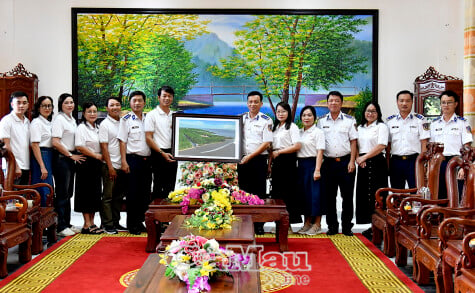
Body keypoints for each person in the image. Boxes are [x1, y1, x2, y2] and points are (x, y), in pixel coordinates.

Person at [317, 91, 358, 236]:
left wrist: (352, 161)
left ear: (341, 103)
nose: (333, 103)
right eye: (331, 101)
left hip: (346, 162)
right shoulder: (321, 121)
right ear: (327, 103)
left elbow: (353, 142)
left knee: (347, 196)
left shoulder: (349, 120)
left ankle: (347, 226)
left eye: (336, 101)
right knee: (329, 196)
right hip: (328, 163)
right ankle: (332, 226)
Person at [238, 91, 273, 235]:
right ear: (247, 103)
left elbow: (266, 143)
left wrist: (251, 156)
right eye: (250, 102)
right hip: (243, 160)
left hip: (258, 160)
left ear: (261, 104)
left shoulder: (266, 120)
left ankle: (259, 224)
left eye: (256, 102)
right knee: (243, 192)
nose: (253, 104)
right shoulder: (240, 119)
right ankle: (245, 223)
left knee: (259, 193)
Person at [117, 91, 152, 235]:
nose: (137, 103)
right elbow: (122, 141)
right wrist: (124, 162)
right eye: (134, 100)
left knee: (144, 194)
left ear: (144, 103)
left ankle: (139, 221)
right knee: (133, 194)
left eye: (139, 100)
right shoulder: (126, 119)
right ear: (130, 103)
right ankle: (132, 224)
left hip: (147, 161)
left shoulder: (149, 118)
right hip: (133, 160)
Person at [52, 93, 85, 237]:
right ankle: (60, 225)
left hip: (70, 158)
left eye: (72, 102)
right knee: (62, 193)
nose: (70, 105)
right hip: (62, 158)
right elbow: (55, 142)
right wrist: (70, 155)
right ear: (61, 104)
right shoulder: (59, 119)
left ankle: (67, 222)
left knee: (68, 193)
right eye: (66, 102)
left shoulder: (71, 119)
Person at [430, 90, 473, 199]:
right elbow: (432, 148)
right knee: (439, 194)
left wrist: (464, 166)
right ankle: (441, 215)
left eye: (449, 102)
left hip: (456, 162)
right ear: (440, 104)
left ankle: (454, 216)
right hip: (439, 163)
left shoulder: (462, 123)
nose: (446, 105)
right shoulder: (434, 124)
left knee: (456, 194)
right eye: (443, 102)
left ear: (455, 104)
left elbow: (467, 146)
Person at [355, 102, 389, 238]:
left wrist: (365, 158)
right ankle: (370, 225)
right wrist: (358, 158)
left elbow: (381, 145)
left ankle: (380, 226)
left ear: (378, 113)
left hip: (377, 162)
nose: (370, 113)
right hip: (363, 163)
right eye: (368, 111)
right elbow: (355, 144)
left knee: (377, 194)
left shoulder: (381, 127)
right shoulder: (360, 128)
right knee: (364, 194)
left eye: (374, 111)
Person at [386, 90, 430, 189]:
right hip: (396, 161)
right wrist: (388, 163)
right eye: (401, 101)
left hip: (414, 161)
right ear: (397, 102)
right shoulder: (389, 121)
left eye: (407, 101)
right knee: (397, 192)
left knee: (416, 190)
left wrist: (423, 162)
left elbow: (424, 143)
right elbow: (388, 146)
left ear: (412, 102)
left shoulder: (421, 120)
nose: (404, 103)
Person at [269, 102, 301, 226]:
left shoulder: (292, 127)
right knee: (277, 192)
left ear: (288, 113)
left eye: (283, 111)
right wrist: (269, 165)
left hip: (288, 161)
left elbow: (297, 146)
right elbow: (271, 149)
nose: (280, 114)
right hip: (276, 161)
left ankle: (289, 222)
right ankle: (278, 222)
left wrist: (280, 152)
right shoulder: (275, 128)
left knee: (288, 192)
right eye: (278, 111)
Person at [74, 102, 103, 234]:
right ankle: (86, 224)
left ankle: (92, 222)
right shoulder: (81, 128)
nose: (92, 114)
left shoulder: (97, 127)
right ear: (84, 114)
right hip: (85, 162)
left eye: (94, 111)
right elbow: (79, 146)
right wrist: (95, 156)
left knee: (95, 193)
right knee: (85, 193)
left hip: (96, 164)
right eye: (89, 111)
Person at [99, 97, 127, 234]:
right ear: (107, 108)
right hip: (109, 165)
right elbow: (104, 147)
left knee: (118, 196)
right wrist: (110, 167)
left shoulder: (123, 122)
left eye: (117, 104)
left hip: (122, 165)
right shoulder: (105, 124)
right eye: (112, 105)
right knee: (108, 196)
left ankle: (116, 222)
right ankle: (107, 224)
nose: (115, 107)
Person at [296, 106, 325, 235]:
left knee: (316, 196)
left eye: (309, 115)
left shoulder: (318, 132)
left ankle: (317, 224)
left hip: (314, 164)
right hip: (301, 165)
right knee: (304, 195)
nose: (306, 118)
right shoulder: (299, 132)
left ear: (314, 117)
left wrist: (317, 169)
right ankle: (306, 223)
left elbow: (320, 151)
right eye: (304, 115)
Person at [145, 86, 177, 200]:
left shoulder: (175, 115)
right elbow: (148, 138)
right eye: (164, 96)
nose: (167, 98)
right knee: (158, 185)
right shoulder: (151, 115)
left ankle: (169, 215)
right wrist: (162, 153)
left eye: (169, 96)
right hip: (158, 153)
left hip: (173, 153)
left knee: (171, 186)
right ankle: (157, 215)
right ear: (159, 97)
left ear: (172, 98)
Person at [0, 91, 30, 185]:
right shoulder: (6, 121)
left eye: (24, 103)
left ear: (28, 104)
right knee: (12, 197)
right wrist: (15, 166)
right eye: (18, 102)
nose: (21, 105)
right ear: (12, 104)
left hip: (25, 165)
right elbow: (6, 145)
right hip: (12, 166)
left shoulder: (27, 121)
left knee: (22, 197)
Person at [30, 96, 54, 206]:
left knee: (49, 187)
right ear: (38, 108)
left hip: (49, 154)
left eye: (49, 106)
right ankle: (42, 217)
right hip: (41, 155)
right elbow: (35, 145)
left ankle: (48, 218)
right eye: (44, 106)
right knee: (43, 187)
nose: (47, 108)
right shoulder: (36, 122)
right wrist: (42, 166)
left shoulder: (48, 122)